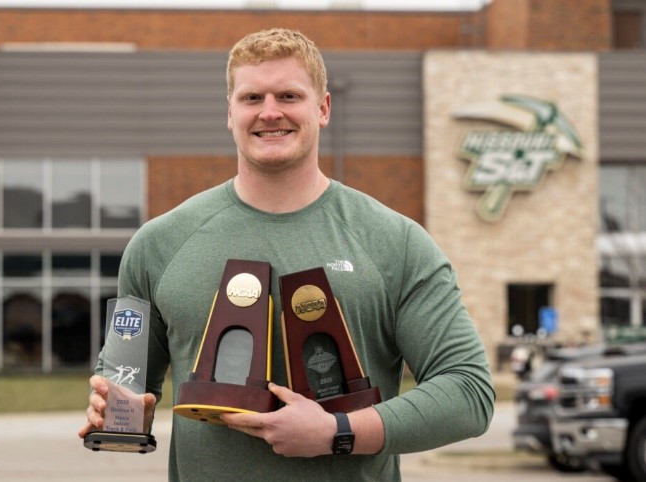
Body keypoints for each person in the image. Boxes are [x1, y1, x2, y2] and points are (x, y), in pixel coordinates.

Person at [79, 27, 494, 481]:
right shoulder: (158, 244)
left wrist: (339, 431)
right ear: (230, 112)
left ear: (323, 108)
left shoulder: (395, 242)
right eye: (252, 97)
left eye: (289, 96)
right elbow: (125, 380)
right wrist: (116, 409)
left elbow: (468, 392)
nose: (270, 112)